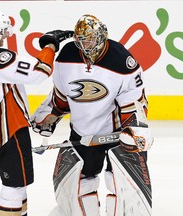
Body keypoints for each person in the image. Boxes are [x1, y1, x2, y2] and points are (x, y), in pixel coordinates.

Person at [31, 14, 154, 215]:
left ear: (102, 36)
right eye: (81, 39)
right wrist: (51, 114)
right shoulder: (66, 57)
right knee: (81, 186)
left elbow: (134, 101)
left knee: (121, 187)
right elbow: (62, 95)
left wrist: (133, 129)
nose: (86, 44)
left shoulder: (122, 60)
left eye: (90, 38)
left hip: (116, 134)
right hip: (82, 133)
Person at [0, 8, 73, 216]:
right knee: (13, 189)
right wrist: (50, 46)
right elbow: (40, 73)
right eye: (2, 32)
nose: (4, 36)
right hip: (9, 134)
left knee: (18, 187)